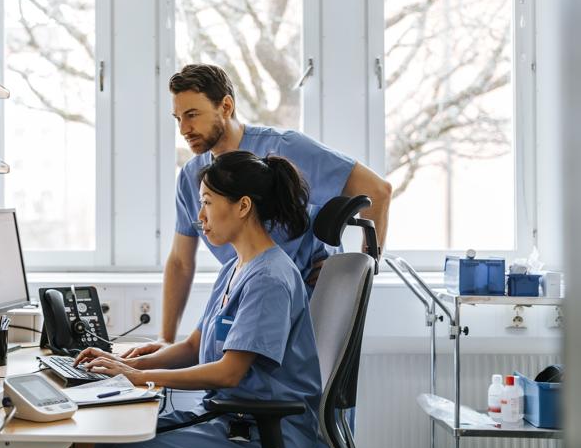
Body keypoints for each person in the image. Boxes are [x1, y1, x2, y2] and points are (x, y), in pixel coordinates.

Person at [76, 151, 322, 448]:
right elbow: (194, 346)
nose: (199, 216)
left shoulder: (269, 279)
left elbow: (229, 372)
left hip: (267, 435)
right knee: (107, 446)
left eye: (207, 202)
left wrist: (138, 376)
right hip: (232, 418)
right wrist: (123, 364)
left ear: (243, 206)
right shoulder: (234, 267)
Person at [128, 64, 391, 358]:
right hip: (246, 309)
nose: (183, 130)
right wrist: (165, 338)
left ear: (226, 106)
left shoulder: (286, 149)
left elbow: (378, 192)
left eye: (192, 115)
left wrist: (355, 273)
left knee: (302, 397)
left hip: (305, 311)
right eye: (178, 118)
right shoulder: (193, 178)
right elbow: (180, 260)